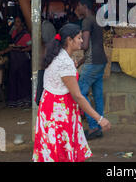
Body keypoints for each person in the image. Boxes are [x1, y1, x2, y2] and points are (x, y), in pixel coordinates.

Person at [33, 23, 111, 162]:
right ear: (69, 40)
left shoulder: (59, 56)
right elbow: (78, 96)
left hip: (52, 108)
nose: (82, 41)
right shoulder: (64, 62)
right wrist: (99, 119)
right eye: (79, 38)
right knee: (60, 153)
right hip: (58, 113)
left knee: (53, 152)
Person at [75, 0, 108, 140]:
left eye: (78, 6)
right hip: (101, 61)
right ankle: (99, 125)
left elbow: (86, 45)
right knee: (97, 95)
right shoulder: (96, 19)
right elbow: (93, 46)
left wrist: (72, 44)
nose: (77, 9)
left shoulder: (87, 21)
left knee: (80, 94)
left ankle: (94, 127)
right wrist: (81, 61)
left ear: (84, 6)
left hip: (93, 62)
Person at [0, 16, 32, 108]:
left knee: (23, 80)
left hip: (22, 59)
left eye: (18, 22)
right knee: (13, 79)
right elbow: (12, 46)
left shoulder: (26, 35)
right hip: (14, 59)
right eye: (15, 22)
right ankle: (14, 101)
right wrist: (4, 51)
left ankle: (24, 101)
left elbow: (31, 46)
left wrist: (23, 49)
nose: (16, 24)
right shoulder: (14, 33)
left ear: (22, 23)